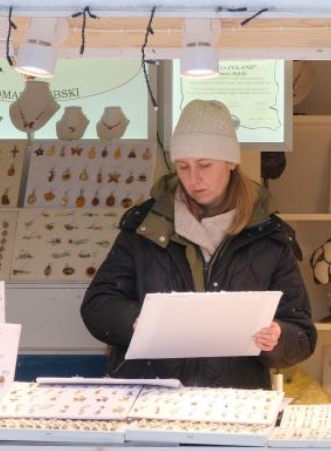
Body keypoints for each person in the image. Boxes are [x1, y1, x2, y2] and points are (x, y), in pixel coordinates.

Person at [82, 100, 316, 389]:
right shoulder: (144, 227)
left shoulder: (269, 236)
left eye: (205, 165)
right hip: (151, 401)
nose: (194, 179)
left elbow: (302, 333)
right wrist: (134, 320)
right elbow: (97, 305)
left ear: (231, 162)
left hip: (232, 405)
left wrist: (278, 338)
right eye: (183, 166)